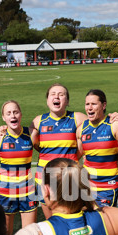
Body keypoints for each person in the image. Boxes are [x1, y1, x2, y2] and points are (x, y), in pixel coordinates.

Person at [0, 100, 37, 235]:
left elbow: (47, 148)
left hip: (28, 192)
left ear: (21, 115)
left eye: (16, 112)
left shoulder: (31, 134)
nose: (13, 116)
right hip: (6, 192)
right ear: (3, 118)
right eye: (9, 113)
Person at [30, 83, 87, 218]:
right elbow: (34, 144)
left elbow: (99, 125)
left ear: (67, 101)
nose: (57, 97)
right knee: (52, 221)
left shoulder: (77, 117)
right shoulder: (38, 121)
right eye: (53, 94)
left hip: (69, 177)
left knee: (73, 217)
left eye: (61, 95)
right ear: (47, 100)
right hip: (44, 177)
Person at [77, 89, 118, 207]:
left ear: (104, 105)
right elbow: (78, 155)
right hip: (87, 187)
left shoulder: (113, 125)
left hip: (107, 187)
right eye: (87, 104)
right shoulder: (82, 129)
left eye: (94, 104)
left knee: (104, 222)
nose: (89, 108)